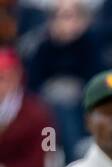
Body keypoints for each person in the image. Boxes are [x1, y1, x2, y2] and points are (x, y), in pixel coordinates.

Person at [24, 0, 103, 156]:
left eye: (68, 16)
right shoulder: (45, 45)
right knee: (51, 109)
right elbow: (33, 81)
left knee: (65, 108)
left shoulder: (90, 42)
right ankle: (50, 155)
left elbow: (96, 77)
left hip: (80, 103)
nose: (62, 22)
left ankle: (72, 157)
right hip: (49, 102)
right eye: (57, 17)